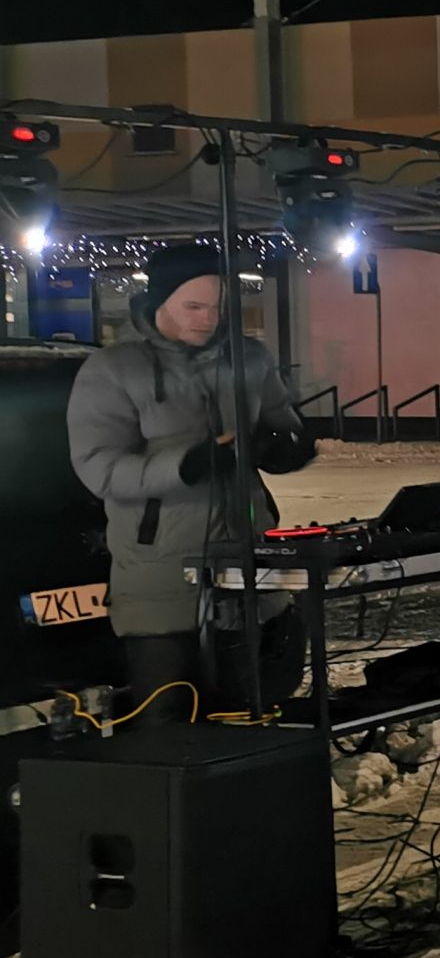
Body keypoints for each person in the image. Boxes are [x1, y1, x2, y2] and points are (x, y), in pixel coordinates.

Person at [66, 245, 318, 722]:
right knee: (168, 720)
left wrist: (285, 448)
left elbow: (284, 424)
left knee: (252, 715)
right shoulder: (114, 369)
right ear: (158, 301)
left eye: (219, 307)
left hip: (247, 563)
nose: (209, 319)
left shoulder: (249, 358)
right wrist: (187, 465)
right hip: (160, 572)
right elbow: (99, 468)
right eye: (194, 306)